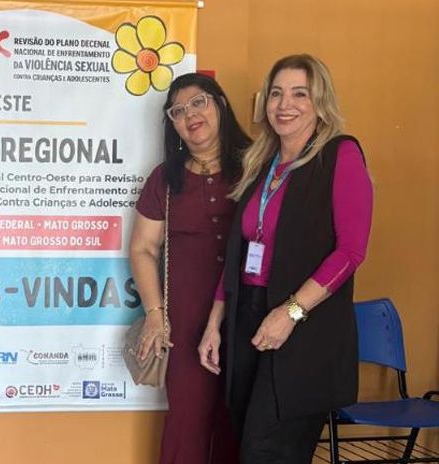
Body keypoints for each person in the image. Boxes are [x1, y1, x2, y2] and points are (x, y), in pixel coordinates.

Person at [198, 54, 373, 463]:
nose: (284, 104)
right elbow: (239, 253)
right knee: (245, 442)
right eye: (276, 93)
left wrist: (291, 312)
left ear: (320, 102)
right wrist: (214, 324)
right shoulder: (262, 163)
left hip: (303, 329)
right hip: (247, 320)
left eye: (299, 94)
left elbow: (351, 252)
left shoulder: (340, 155)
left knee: (266, 451)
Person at [130, 73, 251, 464]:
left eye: (198, 102)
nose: (190, 115)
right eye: (178, 111)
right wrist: (155, 314)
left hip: (251, 314)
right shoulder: (165, 179)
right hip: (184, 324)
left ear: (220, 104)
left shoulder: (257, 166)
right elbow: (143, 248)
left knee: (244, 420)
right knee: (188, 423)